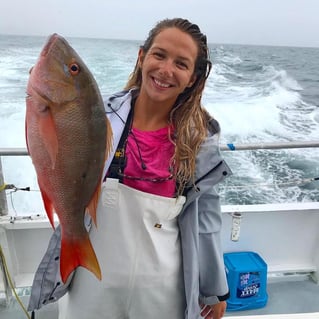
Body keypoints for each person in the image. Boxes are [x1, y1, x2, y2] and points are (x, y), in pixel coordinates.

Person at [28, 18, 232, 319]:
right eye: (159, 55)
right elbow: (54, 152)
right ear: (142, 57)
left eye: (181, 63)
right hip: (91, 283)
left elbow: (206, 221)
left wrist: (214, 289)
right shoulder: (96, 115)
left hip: (163, 290)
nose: (165, 70)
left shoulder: (198, 140)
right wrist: (38, 95)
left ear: (192, 78)